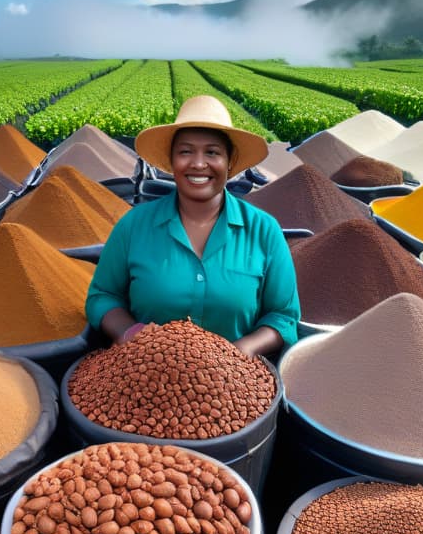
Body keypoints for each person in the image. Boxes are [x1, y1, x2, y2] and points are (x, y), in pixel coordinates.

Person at [86, 95, 300, 357]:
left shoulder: (264, 231)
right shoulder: (133, 226)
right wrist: (131, 334)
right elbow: (102, 296)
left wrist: (239, 354)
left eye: (212, 152)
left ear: (229, 162)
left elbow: (283, 316)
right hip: (143, 371)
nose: (198, 164)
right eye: (186, 151)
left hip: (234, 382)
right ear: (172, 161)